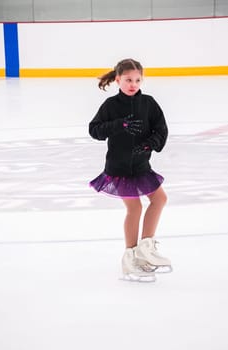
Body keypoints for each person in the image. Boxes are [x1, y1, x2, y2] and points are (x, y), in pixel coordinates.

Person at [89, 58, 172, 282]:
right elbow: (94, 130)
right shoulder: (111, 106)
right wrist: (119, 125)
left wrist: (150, 144)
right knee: (134, 208)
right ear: (118, 80)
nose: (133, 84)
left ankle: (145, 248)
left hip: (142, 165)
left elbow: (161, 129)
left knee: (159, 199)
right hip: (119, 167)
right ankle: (129, 256)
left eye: (137, 79)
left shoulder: (149, 103)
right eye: (127, 80)